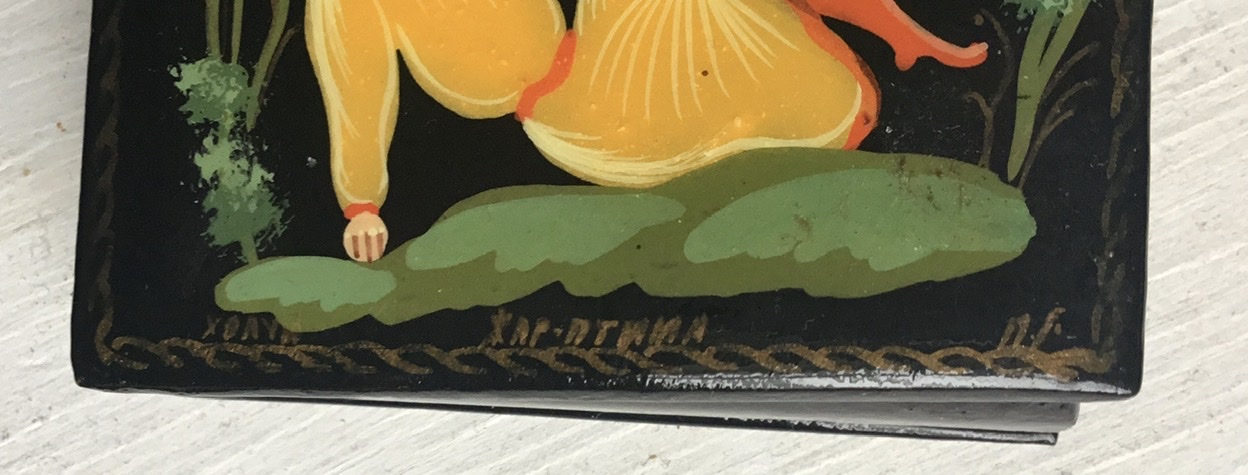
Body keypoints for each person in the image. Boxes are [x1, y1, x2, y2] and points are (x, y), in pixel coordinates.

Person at [305, 0, 987, 262]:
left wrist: (898, 30)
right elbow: (355, 83)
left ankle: (866, 52)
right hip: (590, 111)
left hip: (642, 62)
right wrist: (361, 201)